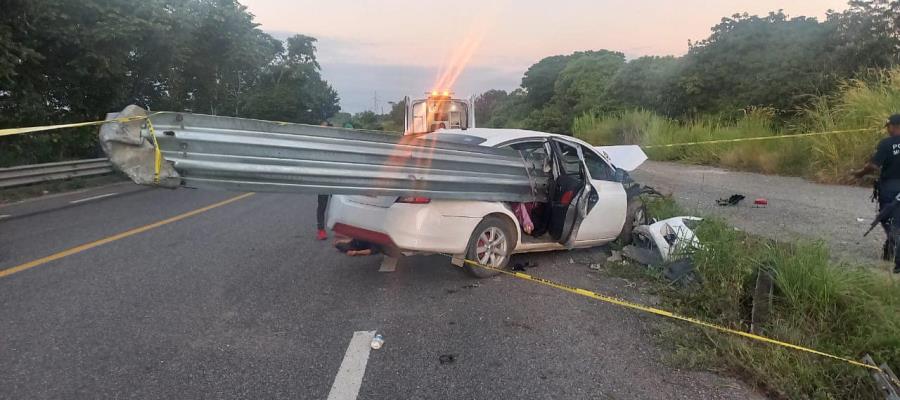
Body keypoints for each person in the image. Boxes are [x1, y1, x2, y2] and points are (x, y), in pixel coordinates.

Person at [853, 113, 900, 273]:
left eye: (888, 127)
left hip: (891, 186)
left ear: (894, 126)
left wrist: (859, 173)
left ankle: (896, 252)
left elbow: (873, 166)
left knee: (888, 218)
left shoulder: (886, 144)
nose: (888, 130)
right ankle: (889, 250)